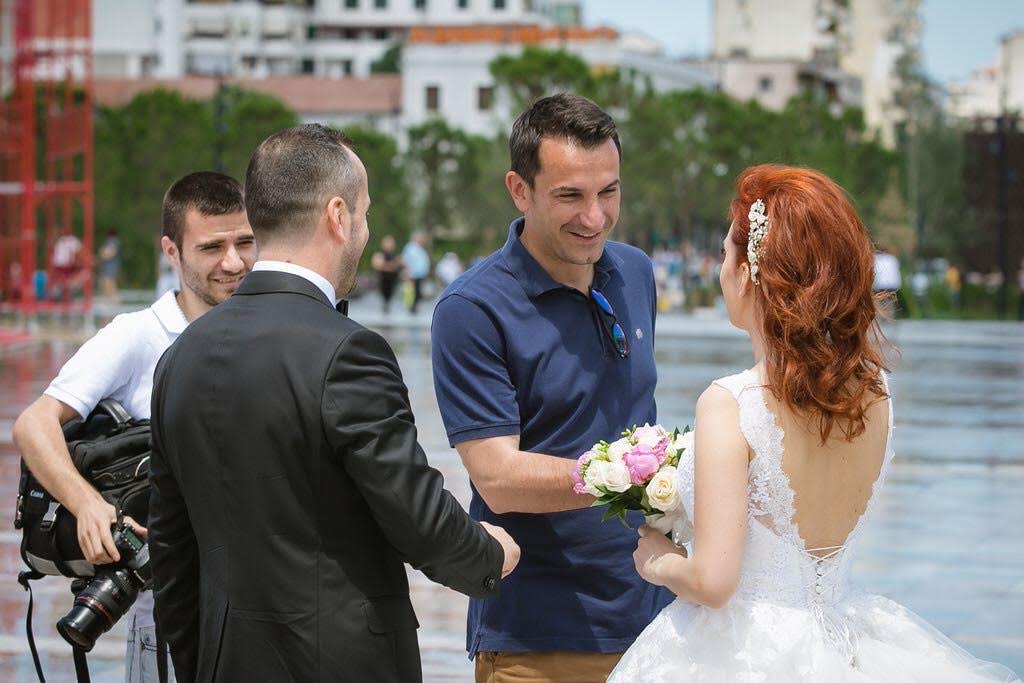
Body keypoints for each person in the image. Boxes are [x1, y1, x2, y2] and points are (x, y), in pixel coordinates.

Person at [609, 165, 1021, 682]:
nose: (720, 271)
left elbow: (714, 581)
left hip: (742, 656)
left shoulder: (730, 404)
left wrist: (658, 561)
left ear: (750, 271)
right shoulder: (876, 393)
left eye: (723, 254)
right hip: (843, 642)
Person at [147, 124, 519, 683]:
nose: (366, 231)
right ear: (337, 216)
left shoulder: (181, 356)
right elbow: (416, 517)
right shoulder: (348, 352)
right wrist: (489, 553)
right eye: (365, 214)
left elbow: (172, 556)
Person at [431, 94, 670, 683]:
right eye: (570, 196)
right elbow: (497, 477)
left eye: (608, 192)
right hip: (535, 633)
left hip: (656, 621)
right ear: (519, 189)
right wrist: (628, 477)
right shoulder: (472, 309)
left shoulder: (635, 272)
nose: (594, 217)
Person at [12, 171, 255, 683]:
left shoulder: (269, 331)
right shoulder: (138, 336)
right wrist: (87, 505)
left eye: (245, 242)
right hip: (166, 618)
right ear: (172, 251)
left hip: (261, 613)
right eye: (212, 247)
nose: (233, 263)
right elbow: (34, 426)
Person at [49, 225, 86, 301]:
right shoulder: (72, 240)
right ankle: (70, 288)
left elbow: (54, 256)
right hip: (67, 265)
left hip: (58, 265)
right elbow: (80, 252)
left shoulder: (60, 240)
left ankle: (63, 290)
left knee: (61, 280)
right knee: (85, 273)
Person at [371, 234, 402, 313]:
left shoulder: (394, 255)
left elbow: (399, 264)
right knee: (384, 293)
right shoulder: (380, 253)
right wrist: (391, 265)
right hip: (383, 278)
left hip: (392, 279)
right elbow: (377, 264)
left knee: (390, 294)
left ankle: (387, 306)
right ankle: (385, 306)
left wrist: (388, 265)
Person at [402, 231, 430, 313]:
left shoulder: (419, 248)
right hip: (413, 274)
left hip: (420, 274)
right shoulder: (410, 248)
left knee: (418, 291)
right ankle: (412, 307)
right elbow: (406, 260)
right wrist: (407, 272)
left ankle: (414, 306)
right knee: (414, 291)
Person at [98, 228, 122, 302]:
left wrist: (101, 254)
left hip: (110, 267)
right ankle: (111, 301)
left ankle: (113, 301)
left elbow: (109, 254)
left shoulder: (112, 242)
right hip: (108, 267)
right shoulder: (113, 242)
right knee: (105, 282)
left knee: (108, 282)